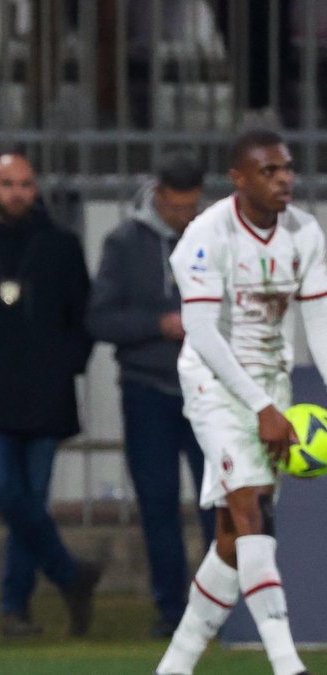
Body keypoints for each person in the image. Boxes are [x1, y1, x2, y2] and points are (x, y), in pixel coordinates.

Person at [154, 129, 325, 675]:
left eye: (287, 169)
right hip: (216, 385)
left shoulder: (305, 231)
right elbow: (201, 333)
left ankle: (174, 666)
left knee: (233, 537)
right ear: (239, 178)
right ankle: (287, 663)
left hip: (270, 384)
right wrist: (260, 408)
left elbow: (319, 322)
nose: (284, 180)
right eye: (269, 171)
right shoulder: (206, 236)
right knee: (251, 507)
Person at [0, 153, 101, 638]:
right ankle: (71, 575)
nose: (17, 192)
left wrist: (64, 363)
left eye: (26, 184)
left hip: (47, 397)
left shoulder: (61, 246)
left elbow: (82, 317)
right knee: (6, 492)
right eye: (8, 183)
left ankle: (15, 609)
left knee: (28, 504)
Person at [87, 153, 216, 638]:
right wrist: (158, 325)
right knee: (158, 504)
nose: (183, 216)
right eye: (175, 206)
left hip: (210, 389)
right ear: (157, 194)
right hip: (148, 390)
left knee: (219, 503)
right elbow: (100, 318)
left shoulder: (220, 238)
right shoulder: (124, 244)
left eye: (191, 206)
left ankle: (218, 605)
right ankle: (171, 610)